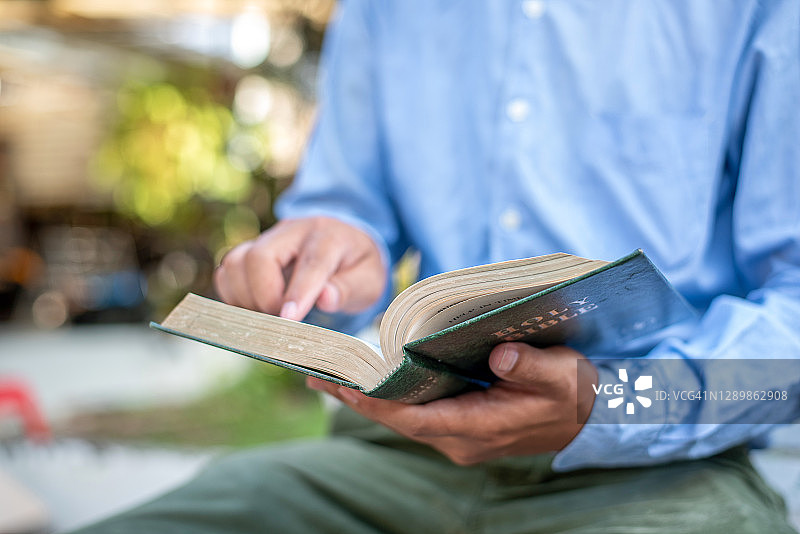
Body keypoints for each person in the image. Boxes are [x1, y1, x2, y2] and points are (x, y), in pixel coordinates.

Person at [75, 1, 800, 532]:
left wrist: (613, 407)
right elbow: (344, 213)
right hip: (390, 462)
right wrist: (318, 266)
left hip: (660, 476)